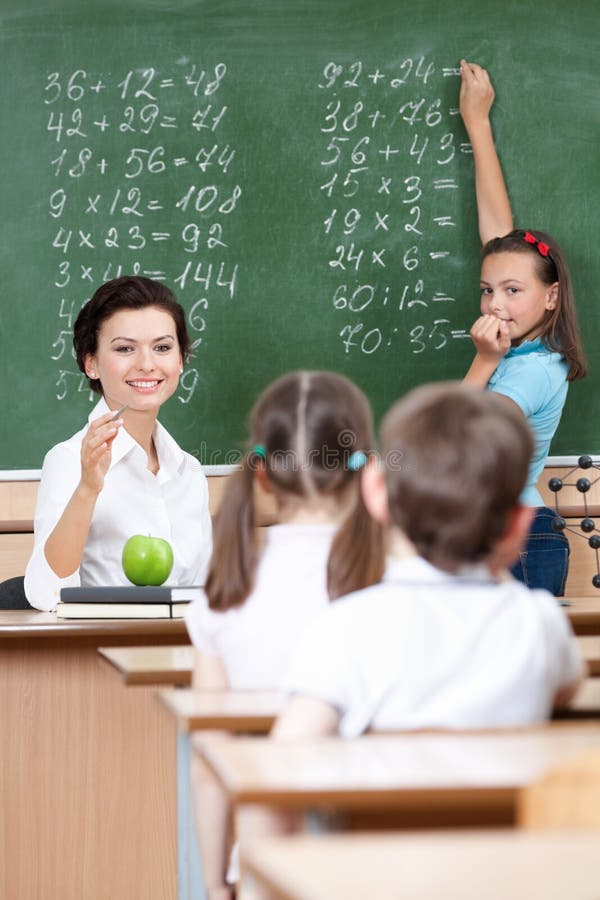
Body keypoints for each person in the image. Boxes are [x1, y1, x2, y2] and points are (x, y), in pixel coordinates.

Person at [274, 382, 584, 742]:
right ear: (518, 524)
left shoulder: (343, 627)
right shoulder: (540, 624)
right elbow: (565, 689)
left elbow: (290, 751)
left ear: (375, 492)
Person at [185, 369, 386, 900]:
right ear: (363, 471)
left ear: (262, 475)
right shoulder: (389, 579)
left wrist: (213, 879)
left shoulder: (223, 592)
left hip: (266, 850)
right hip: (381, 844)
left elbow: (211, 757)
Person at [459, 60, 587, 596]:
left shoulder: (530, 372)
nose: (497, 303)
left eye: (514, 292)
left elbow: (452, 434)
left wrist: (483, 361)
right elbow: (502, 244)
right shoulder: (526, 351)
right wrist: (477, 124)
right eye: (489, 290)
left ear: (551, 296)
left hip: (522, 542)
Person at [25, 275, 212, 611]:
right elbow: (45, 594)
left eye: (163, 347)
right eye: (125, 348)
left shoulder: (190, 472)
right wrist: (87, 488)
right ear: (91, 363)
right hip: (98, 654)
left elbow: (206, 596)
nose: (146, 364)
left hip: (179, 654)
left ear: (181, 359)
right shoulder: (69, 460)